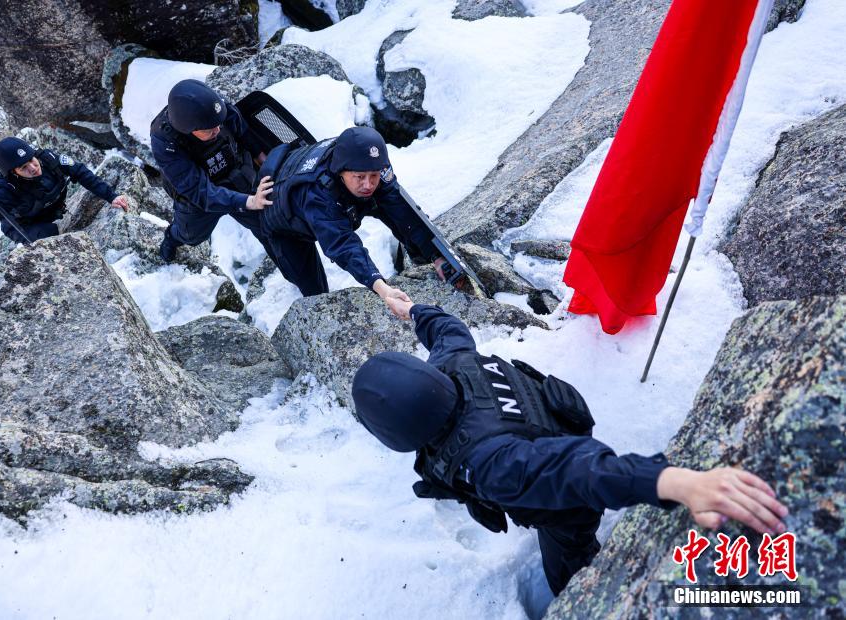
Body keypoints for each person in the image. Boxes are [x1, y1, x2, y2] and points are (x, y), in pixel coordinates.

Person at [351, 298, 789, 601]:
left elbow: (581, 474)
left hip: (566, 497)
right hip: (550, 433)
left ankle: (584, 591)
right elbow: (447, 328)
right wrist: (412, 310)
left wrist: (677, 482)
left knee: (569, 569)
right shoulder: (454, 365)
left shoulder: (494, 464)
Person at [256, 125, 450, 311]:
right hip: (285, 227)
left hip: (344, 198)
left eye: (373, 175)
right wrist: (382, 288)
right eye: (360, 177)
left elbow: (401, 208)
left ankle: (423, 257)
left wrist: (436, 254)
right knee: (315, 291)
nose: (368, 184)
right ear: (342, 170)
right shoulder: (317, 196)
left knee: (391, 205)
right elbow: (344, 247)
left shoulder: (373, 162)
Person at [150, 79, 276, 263]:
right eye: (209, 130)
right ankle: (172, 237)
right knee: (191, 236)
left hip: (236, 175)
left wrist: (264, 161)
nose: (218, 130)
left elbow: (243, 132)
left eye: (219, 124)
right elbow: (199, 191)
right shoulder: (166, 142)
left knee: (268, 226)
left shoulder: (214, 110)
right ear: (189, 129)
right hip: (198, 197)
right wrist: (249, 201)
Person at [0, 137, 129, 243]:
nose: (33, 168)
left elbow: (81, 173)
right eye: (23, 167)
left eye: (32, 160)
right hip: (25, 226)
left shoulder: (48, 159)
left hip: (52, 211)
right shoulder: (7, 189)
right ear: (14, 173)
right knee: (53, 235)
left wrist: (111, 197)